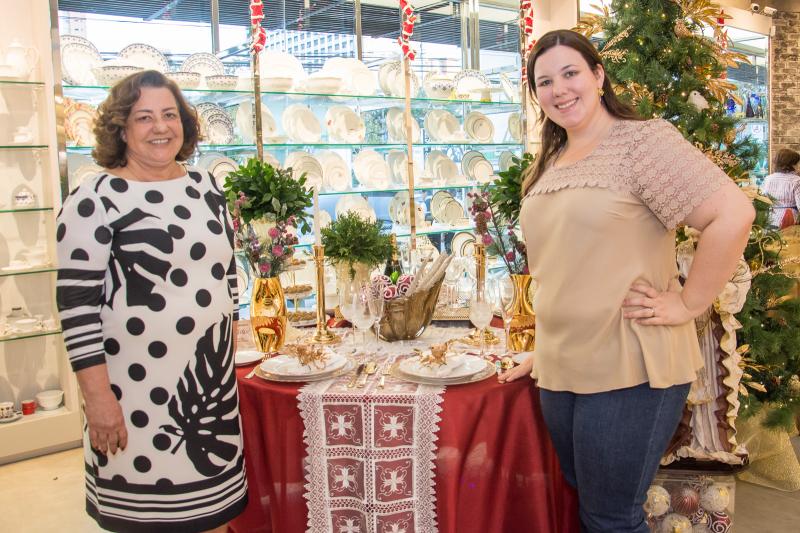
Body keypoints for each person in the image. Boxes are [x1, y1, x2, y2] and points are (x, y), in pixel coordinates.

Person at [498, 30, 754, 532]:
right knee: (590, 503)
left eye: (571, 73)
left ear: (598, 75)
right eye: (544, 81)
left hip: (631, 364)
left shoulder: (641, 142)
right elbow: (566, 265)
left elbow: (733, 214)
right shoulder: (551, 160)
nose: (559, 89)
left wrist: (689, 303)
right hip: (563, 363)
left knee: (610, 517)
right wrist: (545, 349)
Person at [56, 70, 246, 533]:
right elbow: (77, 309)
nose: (160, 127)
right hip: (133, 398)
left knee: (215, 518)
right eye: (144, 117)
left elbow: (228, 274)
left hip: (209, 393)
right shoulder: (94, 200)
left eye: (169, 115)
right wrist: (97, 400)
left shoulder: (207, 187)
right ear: (121, 129)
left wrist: (231, 342)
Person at [761, 148, 800, 228]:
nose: (798, 166)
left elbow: (763, 200)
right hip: (789, 220)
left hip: (769, 219)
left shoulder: (768, 179)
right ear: (791, 164)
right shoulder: (796, 181)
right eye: (797, 163)